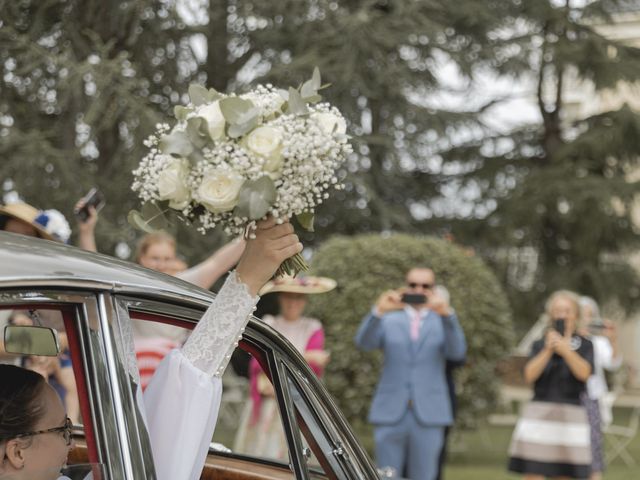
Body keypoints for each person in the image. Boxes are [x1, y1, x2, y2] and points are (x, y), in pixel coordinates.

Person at [0, 216, 302, 480]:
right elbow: (164, 444)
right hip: (147, 388)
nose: (71, 442)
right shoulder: (124, 294)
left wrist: (248, 247)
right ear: (16, 453)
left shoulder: (150, 290)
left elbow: (214, 265)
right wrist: (247, 279)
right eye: (64, 429)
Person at [355, 267, 467, 480]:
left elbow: (457, 352)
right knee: (386, 476)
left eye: (425, 286)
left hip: (429, 415)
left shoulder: (443, 321)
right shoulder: (388, 319)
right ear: (405, 286)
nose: (419, 289)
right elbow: (364, 343)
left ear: (434, 290)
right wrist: (378, 311)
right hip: (390, 413)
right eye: (413, 285)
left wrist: (447, 314)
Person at [233, 275, 335, 459]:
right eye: (288, 296)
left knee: (294, 454)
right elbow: (259, 360)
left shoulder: (312, 327)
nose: (293, 302)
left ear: (304, 301)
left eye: (298, 297)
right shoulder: (270, 323)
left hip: (297, 400)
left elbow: (311, 372)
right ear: (280, 298)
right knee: (262, 452)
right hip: (269, 400)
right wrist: (307, 356)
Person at [508, 290, 594, 480]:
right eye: (557, 311)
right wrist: (548, 349)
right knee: (533, 472)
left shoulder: (586, 345)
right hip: (540, 413)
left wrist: (566, 351)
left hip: (571, 415)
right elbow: (529, 376)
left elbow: (584, 374)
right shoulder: (539, 345)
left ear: (576, 315)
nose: (562, 315)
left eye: (566, 310)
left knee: (564, 473)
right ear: (551, 315)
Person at [578, 296, 622, 480]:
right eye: (582, 315)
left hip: (591, 396)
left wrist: (612, 340)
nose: (586, 319)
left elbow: (613, 364)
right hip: (566, 396)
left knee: (592, 446)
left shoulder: (598, 342)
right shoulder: (565, 340)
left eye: (589, 315)